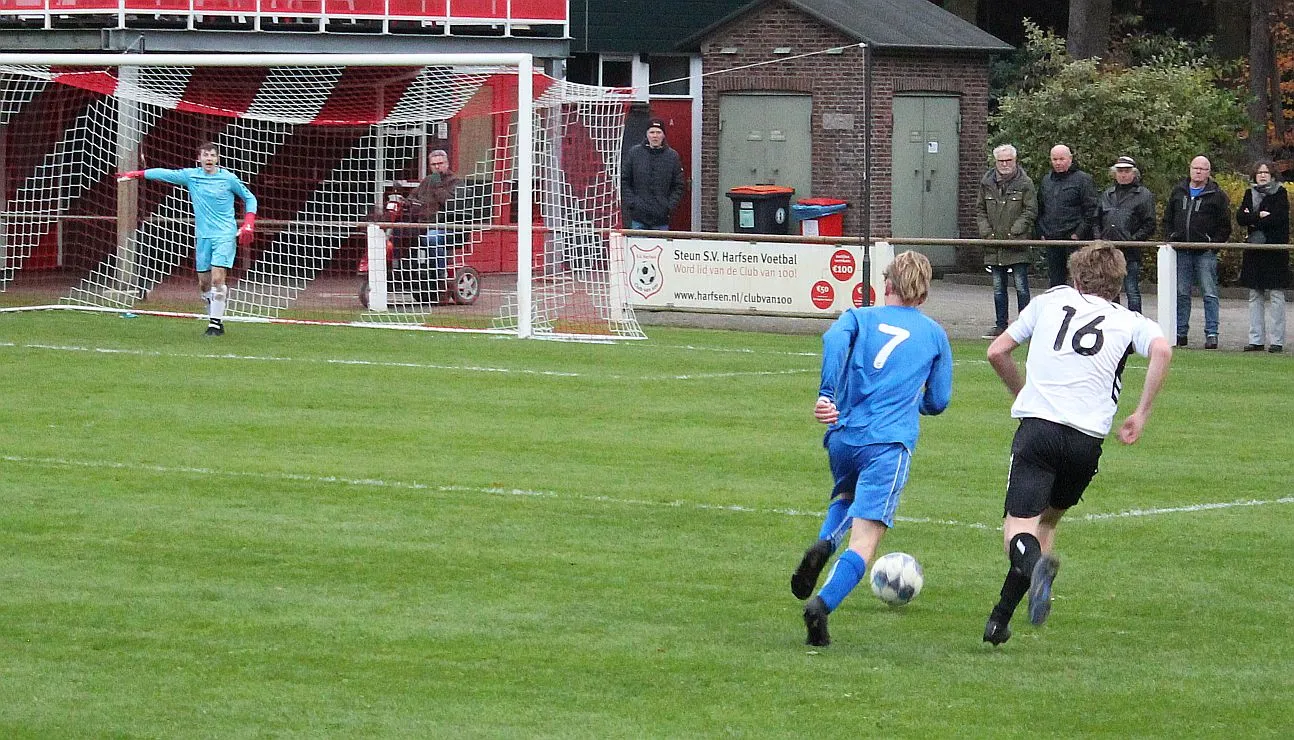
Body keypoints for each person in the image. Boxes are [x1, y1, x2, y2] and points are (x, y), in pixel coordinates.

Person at [981, 242, 1173, 646]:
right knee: (1047, 523)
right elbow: (1162, 350)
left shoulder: (1051, 301)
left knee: (1017, 530)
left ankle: (1034, 568)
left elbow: (997, 352)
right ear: (1118, 285)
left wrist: (1022, 392)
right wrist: (1141, 412)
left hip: (1039, 431)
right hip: (1086, 443)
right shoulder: (1129, 320)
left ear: (1076, 277)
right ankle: (1000, 620)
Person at [789, 250, 953, 647]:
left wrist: (827, 393)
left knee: (845, 498)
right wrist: (914, 400)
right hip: (888, 443)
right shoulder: (934, 334)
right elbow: (938, 401)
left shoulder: (858, 317)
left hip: (843, 436)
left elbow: (832, 339)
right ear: (924, 294)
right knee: (865, 540)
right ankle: (821, 606)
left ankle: (825, 543)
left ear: (886, 284)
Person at [117, 142, 257, 336]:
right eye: (205, 155)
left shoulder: (228, 178)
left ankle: (215, 324)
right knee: (204, 284)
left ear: (217, 158)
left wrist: (248, 222)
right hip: (203, 236)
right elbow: (166, 174)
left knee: (217, 278)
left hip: (225, 234)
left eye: (212, 155)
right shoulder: (191, 176)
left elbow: (250, 198)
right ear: (199, 159)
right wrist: (138, 174)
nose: (209, 158)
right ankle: (214, 317)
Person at [1162, 155, 1231, 349]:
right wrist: (1171, 237)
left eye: (1202, 168)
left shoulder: (1217, 195)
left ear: (1209, 172)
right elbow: (1167, 219)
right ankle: (1180, 332)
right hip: (1182, 250)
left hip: (1204, 253)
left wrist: (1212, 244)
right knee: (1181, 293)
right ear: (1190, 169)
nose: (1198, 171)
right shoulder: (1178, 191)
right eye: (1195, 168)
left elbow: (1225, 226)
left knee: (1209, 293)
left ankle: (1212, 333)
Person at [976, 143, 1038, 339]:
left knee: (1021, 287)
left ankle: (1025, 325)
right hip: (994, 245)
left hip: (1018, 244)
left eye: (1008, 160)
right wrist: (987, 234)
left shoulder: (1025, 183)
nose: (1004, 164)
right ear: (995, 161)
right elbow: (980, 210)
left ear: (1015, 160)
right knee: (998, 288)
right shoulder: (986, 183)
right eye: (1001, 161)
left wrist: (1014, 233)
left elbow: (1030, 211)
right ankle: (1000, 325)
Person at [1236, 160, 1290, 353]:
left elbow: (1278, 219)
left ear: (1272, 175)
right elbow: (1241, 218)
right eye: (1259, 172)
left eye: (1266, 172)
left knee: (1276, 295)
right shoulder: (1249, 193)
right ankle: (1256, 339)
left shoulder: (1280, 193)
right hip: (1254, 251)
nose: (1263, 175)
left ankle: (1277, 341)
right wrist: (1259, 216)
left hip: (1275, 252)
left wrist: (1253, 218)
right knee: (1255, 295)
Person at [1096, 156, 1157, 313]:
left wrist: (1133, 240)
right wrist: (1099, 239)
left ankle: (1135, 322)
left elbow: (1150, 223)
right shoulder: (1107, 194)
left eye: (1127, 171)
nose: (1123, 175)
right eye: (1120, 171)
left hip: (1130, 252)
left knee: (1132, 290)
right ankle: (1111, 321)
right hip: (1108, 251)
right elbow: (1096, 219)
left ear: (1134, 173)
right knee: (1109, 291)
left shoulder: (1144, 195)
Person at [401, 149, 459, 300]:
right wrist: (405, 202)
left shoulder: (455, 182)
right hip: (423, 224)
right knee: (399, 234)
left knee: (432, 238)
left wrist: (438, 185)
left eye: (440, 163)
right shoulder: (426, 181)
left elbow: (449, 204)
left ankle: (439, 276)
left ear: (447, 163)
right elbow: (412, 197)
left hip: (446, 226)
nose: (437, 167)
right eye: (434, 165)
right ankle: (405, 273)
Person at [1037, 144, 1098, 287]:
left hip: (1075, 239)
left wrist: (1079, 233)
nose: (1058, 163)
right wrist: (1041, 232)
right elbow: (1040, 207)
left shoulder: (1083, 180)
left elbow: (1091, 209)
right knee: (1055, 282)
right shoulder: (1046, 180)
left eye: (1061, 159)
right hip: (1052, 238)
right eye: (1054, 159)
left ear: (1070, 159)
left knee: (1080, 280)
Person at [621, 118, 685, 230]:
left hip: (661, 219)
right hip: (638, 217)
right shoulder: (634, 154)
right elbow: (624, 180)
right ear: (647, 134)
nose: (655, 136)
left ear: (663, 135)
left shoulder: (672, 156)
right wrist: (632, 203)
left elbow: (678, 185)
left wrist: (668, 206)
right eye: (652, 132)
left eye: (658, 132)